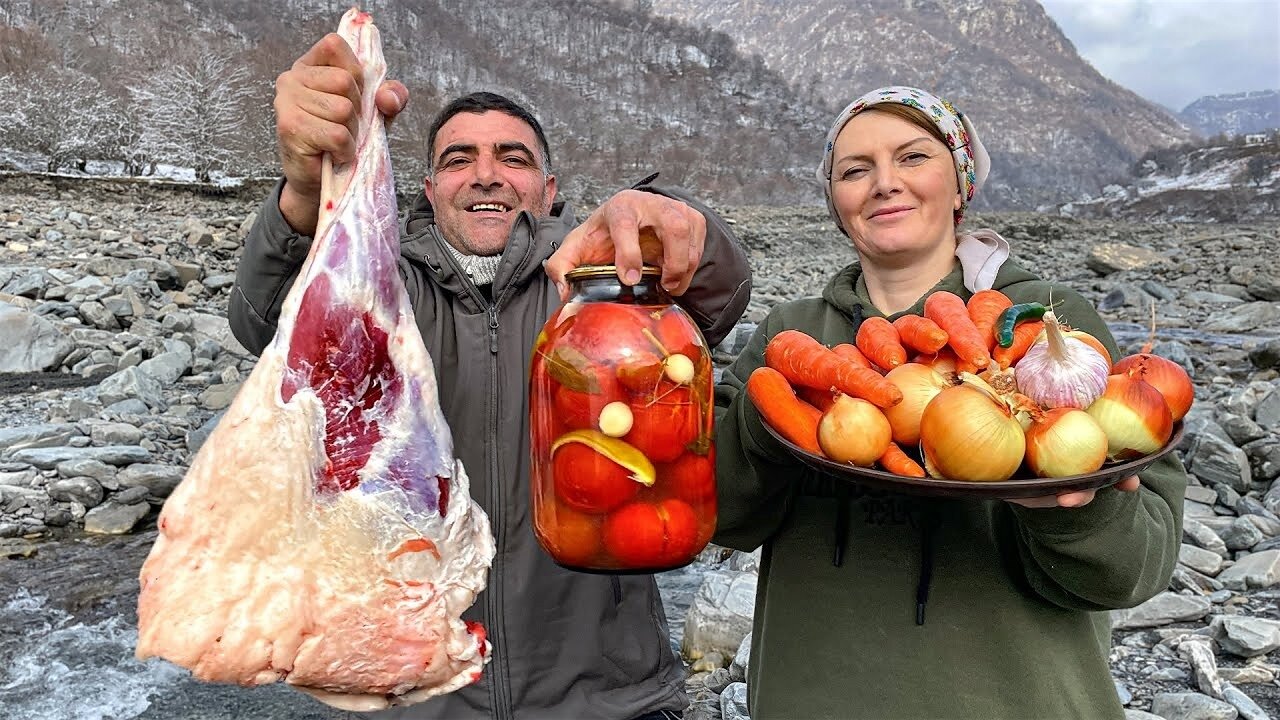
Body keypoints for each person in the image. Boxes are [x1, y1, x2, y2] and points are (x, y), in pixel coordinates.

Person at [227, 33, 751, 720]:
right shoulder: (379, 289)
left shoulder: (605, 294)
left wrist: (685, 228)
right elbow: (266, 321)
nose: (486, 174)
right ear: (429, 188)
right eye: (458, 159)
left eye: (513, 158)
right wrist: (304, 189)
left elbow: (720, 295)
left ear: (549, 189)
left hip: (605, 695)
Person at [712, 86, 1187, 719]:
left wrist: (1073, 513)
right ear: (836, 202)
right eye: (855, 170)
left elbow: (1134, 571)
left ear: (961, 182)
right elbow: (722, 517)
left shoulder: (1049, 327)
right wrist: (769, 412)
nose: (884, 183)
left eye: (913, 158)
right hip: (814, 698)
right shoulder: (789, 337)